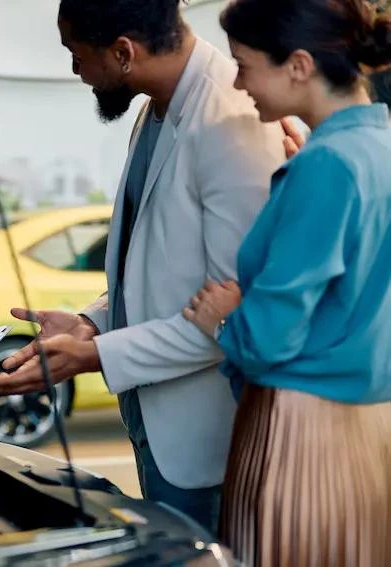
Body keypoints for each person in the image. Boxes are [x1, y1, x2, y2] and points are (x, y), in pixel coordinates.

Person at [0, 0, 285, 531]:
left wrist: (93, 355)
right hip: (157, 426)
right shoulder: (156, 106)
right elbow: (160, 268)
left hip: (210, 445)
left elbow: (234, 319)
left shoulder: (232, 121)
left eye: (76, 53)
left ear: (123, 53)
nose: (75, 69)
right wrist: (93, 321)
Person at [182, 0, 391, 563]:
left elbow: (270, 335)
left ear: (299, 65)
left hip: (303, 430)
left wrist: (222, 316)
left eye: (245, 64)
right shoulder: (376, 148)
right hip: (372, 428)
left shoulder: (327, 166)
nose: (238, 81)